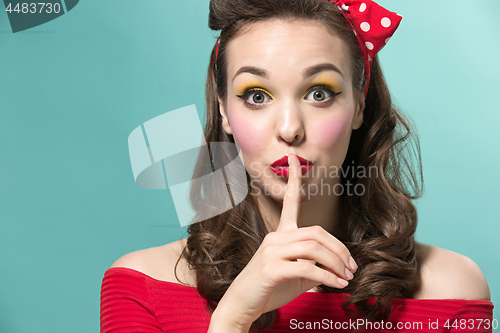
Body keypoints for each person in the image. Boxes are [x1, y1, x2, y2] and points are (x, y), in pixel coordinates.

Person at [100, 0, 493, 332]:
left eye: (318, 93)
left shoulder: (450, 290)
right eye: (256, 95)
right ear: (223, 110)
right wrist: (234, 316)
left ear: (359, 103)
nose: (289, 129)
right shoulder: (142, 285)